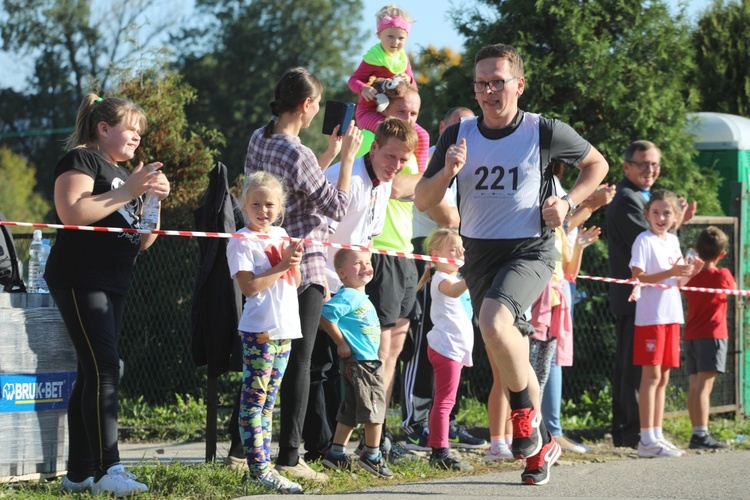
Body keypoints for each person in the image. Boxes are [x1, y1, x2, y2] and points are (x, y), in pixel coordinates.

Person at [415, 43, 609, 485]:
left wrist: (567, 200)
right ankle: (540, 449)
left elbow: (597, 164)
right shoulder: (458, 134)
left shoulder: (542, 129)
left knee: (495, 321)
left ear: (519, 85)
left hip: (530, 249)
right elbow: (424, 200)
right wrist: (447, 171)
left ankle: (522, 412)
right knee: (510, 348)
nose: (488, 91)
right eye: (481, 83)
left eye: (497, 82)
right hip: (480, 252)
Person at [45, 93, 170, 496]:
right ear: (103, 128)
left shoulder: (121, 173)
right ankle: (107, 469)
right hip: (80, 276)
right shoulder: (82, 160)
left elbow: (144, 241)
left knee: (93, 371)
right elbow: (72, 212)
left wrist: (151, 199)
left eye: (139, 131)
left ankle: (80, 473)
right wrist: (129, 188)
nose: (137, 136)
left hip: (113, 279)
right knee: (106, 368)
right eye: (130, 128)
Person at [244, 66, 363, 482]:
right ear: (307, 105)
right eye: (315, 106)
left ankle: (244, 448)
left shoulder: (260, 137)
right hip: (305, 262)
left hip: (267, 261)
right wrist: (346, 159)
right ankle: (290, 455)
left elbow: (290, 189)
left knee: (261, 356)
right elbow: (336, 206)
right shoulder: (299, 153)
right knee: (300, 360)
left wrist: (326, 155)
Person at [302, 117, 418, 462]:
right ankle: (316, 445)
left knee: (347, 369)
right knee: (316, 367)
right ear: (374, 147)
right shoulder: (348, 177)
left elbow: (366, 237)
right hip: (321, 280)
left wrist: (360, 290)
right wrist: (322, 283)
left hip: (350, 288)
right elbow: (317, 230)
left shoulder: (382, 184)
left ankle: (340, 447)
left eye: (403, 160)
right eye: (390, 157)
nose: (396, 166)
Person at [402, 107, 487, 453]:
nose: (462, 136)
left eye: (469, 128)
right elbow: (448, 215)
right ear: (441, 129)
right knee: (424, 347)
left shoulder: (467, 173)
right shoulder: (432, 166)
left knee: (452, 355)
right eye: (456, 127)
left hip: (457, 264)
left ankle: (444, 422)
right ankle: (414, 423)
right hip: (427, 264)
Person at [606, 140, 695, 449]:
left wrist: (679, 224)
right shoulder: (628, 200)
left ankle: (649, 432)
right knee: (638, 372)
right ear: (626, 166)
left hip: (663, 306)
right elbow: (647, 251)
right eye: (643, 164)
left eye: (655, 164)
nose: (650, 170)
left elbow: (667, 244)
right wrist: (676, 223)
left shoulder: (647, 206)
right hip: (640, 303)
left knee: (657, 373)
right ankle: (635, 434)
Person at [226, 172, 305, 493]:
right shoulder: (241, 240)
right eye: (255, 204)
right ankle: (259, 468)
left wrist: (293, 263)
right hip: (259, 330)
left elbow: (296, 283)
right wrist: (283, 265)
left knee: (269, 402)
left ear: (280, 206)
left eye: (269, 204)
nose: (263, 210)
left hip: (285, 328)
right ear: (244, 205)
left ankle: (263, 466)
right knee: (254, 401)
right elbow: (249, 287)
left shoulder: (283, 234)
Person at [541, 164, 614, 454]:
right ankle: (544, 432)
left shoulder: (557, 185)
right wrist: (592, 204)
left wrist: (589, 209)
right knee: (537, 362)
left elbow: (566, 232)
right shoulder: (549, 186)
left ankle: (549, 431)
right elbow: (563, 224)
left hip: (558, 286)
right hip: (542, 288)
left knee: (551, 360)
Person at [630, 189, 703, 458]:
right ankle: (646, 439)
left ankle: (656, 434)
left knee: (663, 377)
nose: (661, 217)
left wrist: (691, 271)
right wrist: (673, 272)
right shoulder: (643, 240)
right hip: (651, 317)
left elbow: (678, 282)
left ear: (675, 217)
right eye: (656, 212)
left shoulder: (673, 240)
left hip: (672, 316)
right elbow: (639, 276)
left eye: (667, 213)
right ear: (646, 214)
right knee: (650, 377)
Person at [319, 249, 393, 478]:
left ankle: (336, 453)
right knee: (375, 409)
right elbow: (325, 314)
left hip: (363, 363)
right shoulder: (349, 295)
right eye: (357, 263)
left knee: (350, 410)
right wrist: (340, 341)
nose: (364, 266)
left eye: (367, 262)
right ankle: (372, 455)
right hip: (362, 365)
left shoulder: (360, 296)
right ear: (341, 273)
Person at [416, 228, 475, 471]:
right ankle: (439, 452)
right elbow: (454, 291)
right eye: (453, 250)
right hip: (446, 348)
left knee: (445, 401)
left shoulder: (454, 277)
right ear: (436, 255)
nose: (460, 253)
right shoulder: (442, 278)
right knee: (444, 402)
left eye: (462, 249)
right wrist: (473, 272)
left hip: (454, 348)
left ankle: (439, 449)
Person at [348, 4, 430, 172]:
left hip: (396, 114)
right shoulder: (373, 57)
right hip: (369, 112)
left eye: (401, 38)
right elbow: (353, 80)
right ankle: (374, 171)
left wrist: (408, 80)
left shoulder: (402, 59)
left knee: (423, 135)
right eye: (390, 36)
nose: (395, 42)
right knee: (389, 131)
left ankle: (421, 176)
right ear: (379, 35)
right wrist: (363, 88)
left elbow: (413, 87)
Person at [529, 224, 601, 396]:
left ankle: (534, 417)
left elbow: (569, 273)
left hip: (553, 308)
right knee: (528, 365)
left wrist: (579, 246)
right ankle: (523, 414)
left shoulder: (560, 230)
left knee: (543, 370)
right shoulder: (530, 227)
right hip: (533, 304)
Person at [684, 226, 734, 450]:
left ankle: (697, 432)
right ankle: (701, 434)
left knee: (694, 385)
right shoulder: (723, 275)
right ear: (722, 255)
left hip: (691, 335)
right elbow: (732, 289)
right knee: (704, 387)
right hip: (712, 335)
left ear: (696, 249)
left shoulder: (691, 276)